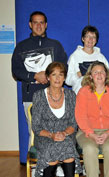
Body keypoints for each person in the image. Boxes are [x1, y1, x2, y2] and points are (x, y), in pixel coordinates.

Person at [11, 11, 67, 151]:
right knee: (36, 132)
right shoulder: (21, 47)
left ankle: (58, 166)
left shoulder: (55, 45)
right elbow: (16, 70)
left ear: (46, 25)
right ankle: (39, 167)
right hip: (31, 97)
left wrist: (48, 76)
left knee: (56, 129)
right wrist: (34, 76)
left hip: (54, 96)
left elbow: (63, 67)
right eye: (35, 22)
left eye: (41, 22)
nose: (38, 25)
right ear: (30, 25)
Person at [32, 62, 82, 177]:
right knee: (52, 148)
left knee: (68, 145)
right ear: (48, 77)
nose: (57, 78)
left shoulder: (71, 95)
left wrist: (63, 133)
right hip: (44, 136)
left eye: (61, 75)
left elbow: (73, 124)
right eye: (54, 75)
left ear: (64, 78)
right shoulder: (38, 96)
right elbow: (36, 127)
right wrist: (52, 135)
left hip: (66, 135)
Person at [75, 61, 109, 177]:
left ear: (106, 75)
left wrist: (108, 133)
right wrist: (91, 133)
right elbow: (80, 116)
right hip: (86, 132)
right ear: (90, 76)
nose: (99, 75)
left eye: (102, 72)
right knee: (89, 149)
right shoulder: (83, 92)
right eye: (96, 72)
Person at [66, 25, 109, 94]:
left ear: (96, 40)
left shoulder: (101, 58)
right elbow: (67, 80)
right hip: (80, 95)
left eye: (93, 37)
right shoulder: (74, 57)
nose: (90, 39)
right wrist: (77, 76)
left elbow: (108, 77)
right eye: (88, 36)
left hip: (98, 96)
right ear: (83, 38)